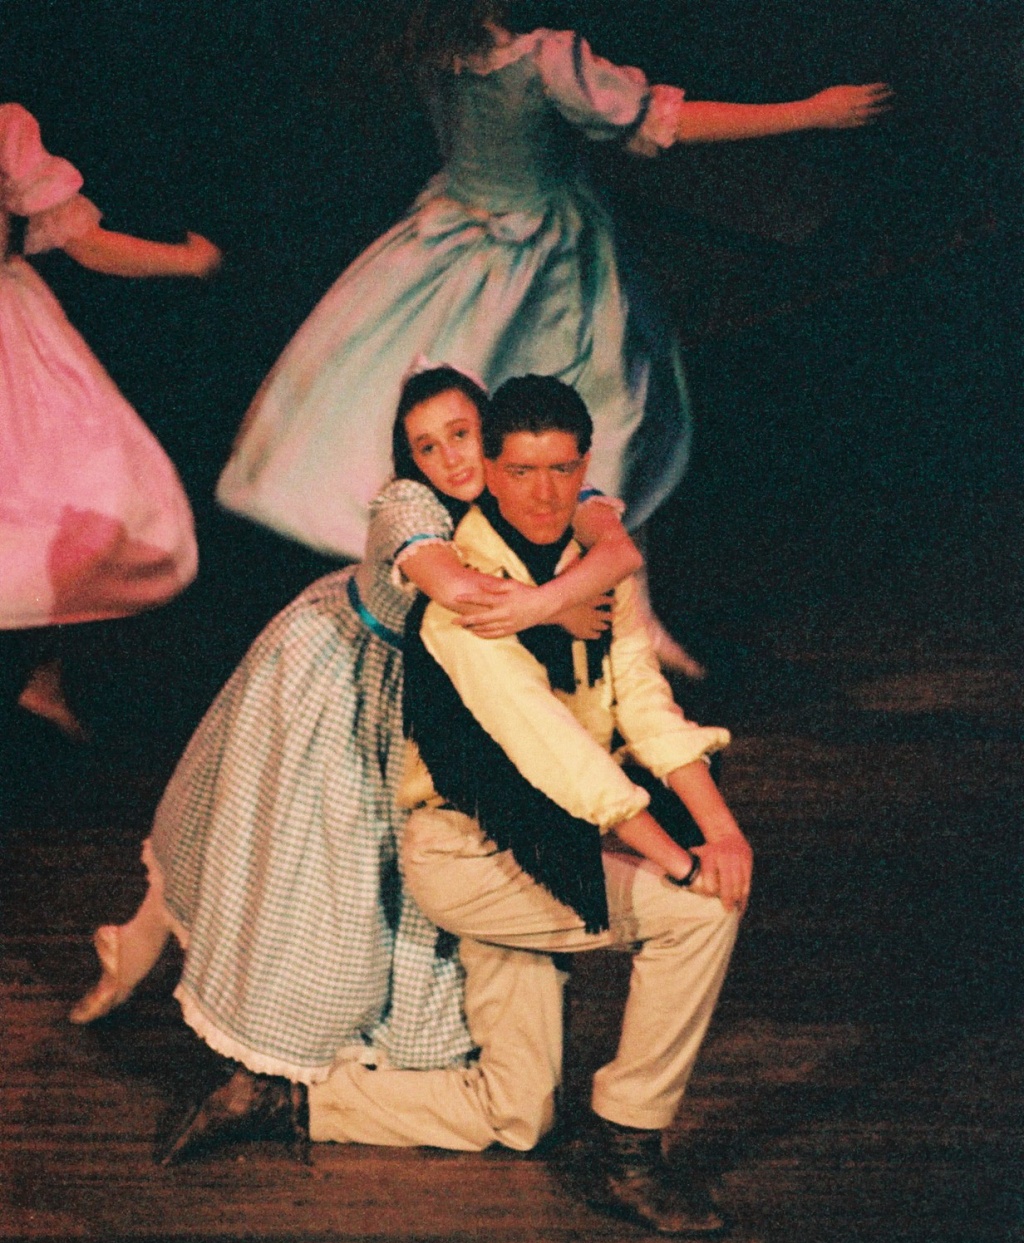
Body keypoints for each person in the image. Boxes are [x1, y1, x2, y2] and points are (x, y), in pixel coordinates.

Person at [191, 375, 753, 1236]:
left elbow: (644, 705)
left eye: (562, 471)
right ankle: (630, 1149)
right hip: (474, 856)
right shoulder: (466, 604)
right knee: (698, 914)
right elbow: (560, 757)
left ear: (586, 470)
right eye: (521, 472)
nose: (544, 494)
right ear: (489, 471)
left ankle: (294, 1101)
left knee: (517, 1114)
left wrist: (722, 830)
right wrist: (679, 861)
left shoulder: (592, 560)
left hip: (539, 847)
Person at [70, 367, 641, 1150]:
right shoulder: (406, 507)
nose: (449, 457)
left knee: (398, 882)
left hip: (437, 694)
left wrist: (562, 588)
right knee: (306, 872)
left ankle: (347, 1060)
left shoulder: (524, 480)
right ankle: (197, 995)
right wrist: (555, 606)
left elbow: (617, 547)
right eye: (427, 446)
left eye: (461, 434)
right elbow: (454, 589)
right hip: (347, 674)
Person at [215, 1, 889, 662]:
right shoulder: (544, 58)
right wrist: (809, 112)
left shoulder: (437, 50)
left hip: (455, 238)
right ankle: (558, 614)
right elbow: (662, 123)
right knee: (600, 420)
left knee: (532, 425)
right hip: (541, 263)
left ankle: (600, 612)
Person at [0, 103, 221, 737]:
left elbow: (88, 245)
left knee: (72, 506)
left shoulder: (6, 128)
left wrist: (185, 260)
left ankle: (35, 669)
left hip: (17, 346)